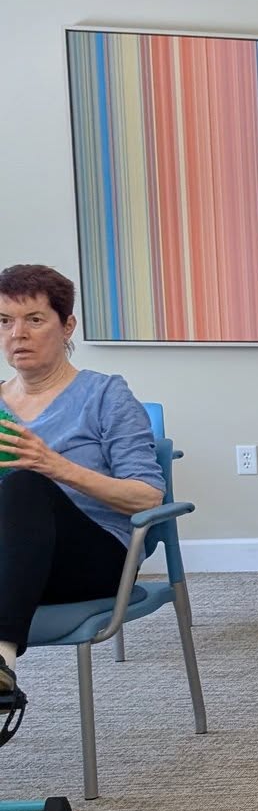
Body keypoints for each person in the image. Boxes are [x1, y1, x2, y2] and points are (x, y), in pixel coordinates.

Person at [0, 264, 165, 737]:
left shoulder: (106, 394)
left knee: (26, 484)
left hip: (93, 558)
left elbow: (146, 495)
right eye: (5, 321)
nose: (17, 335)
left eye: (34, 319)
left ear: (67, 326)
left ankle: (2, 658)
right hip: (13, 566)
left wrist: (56, 466)